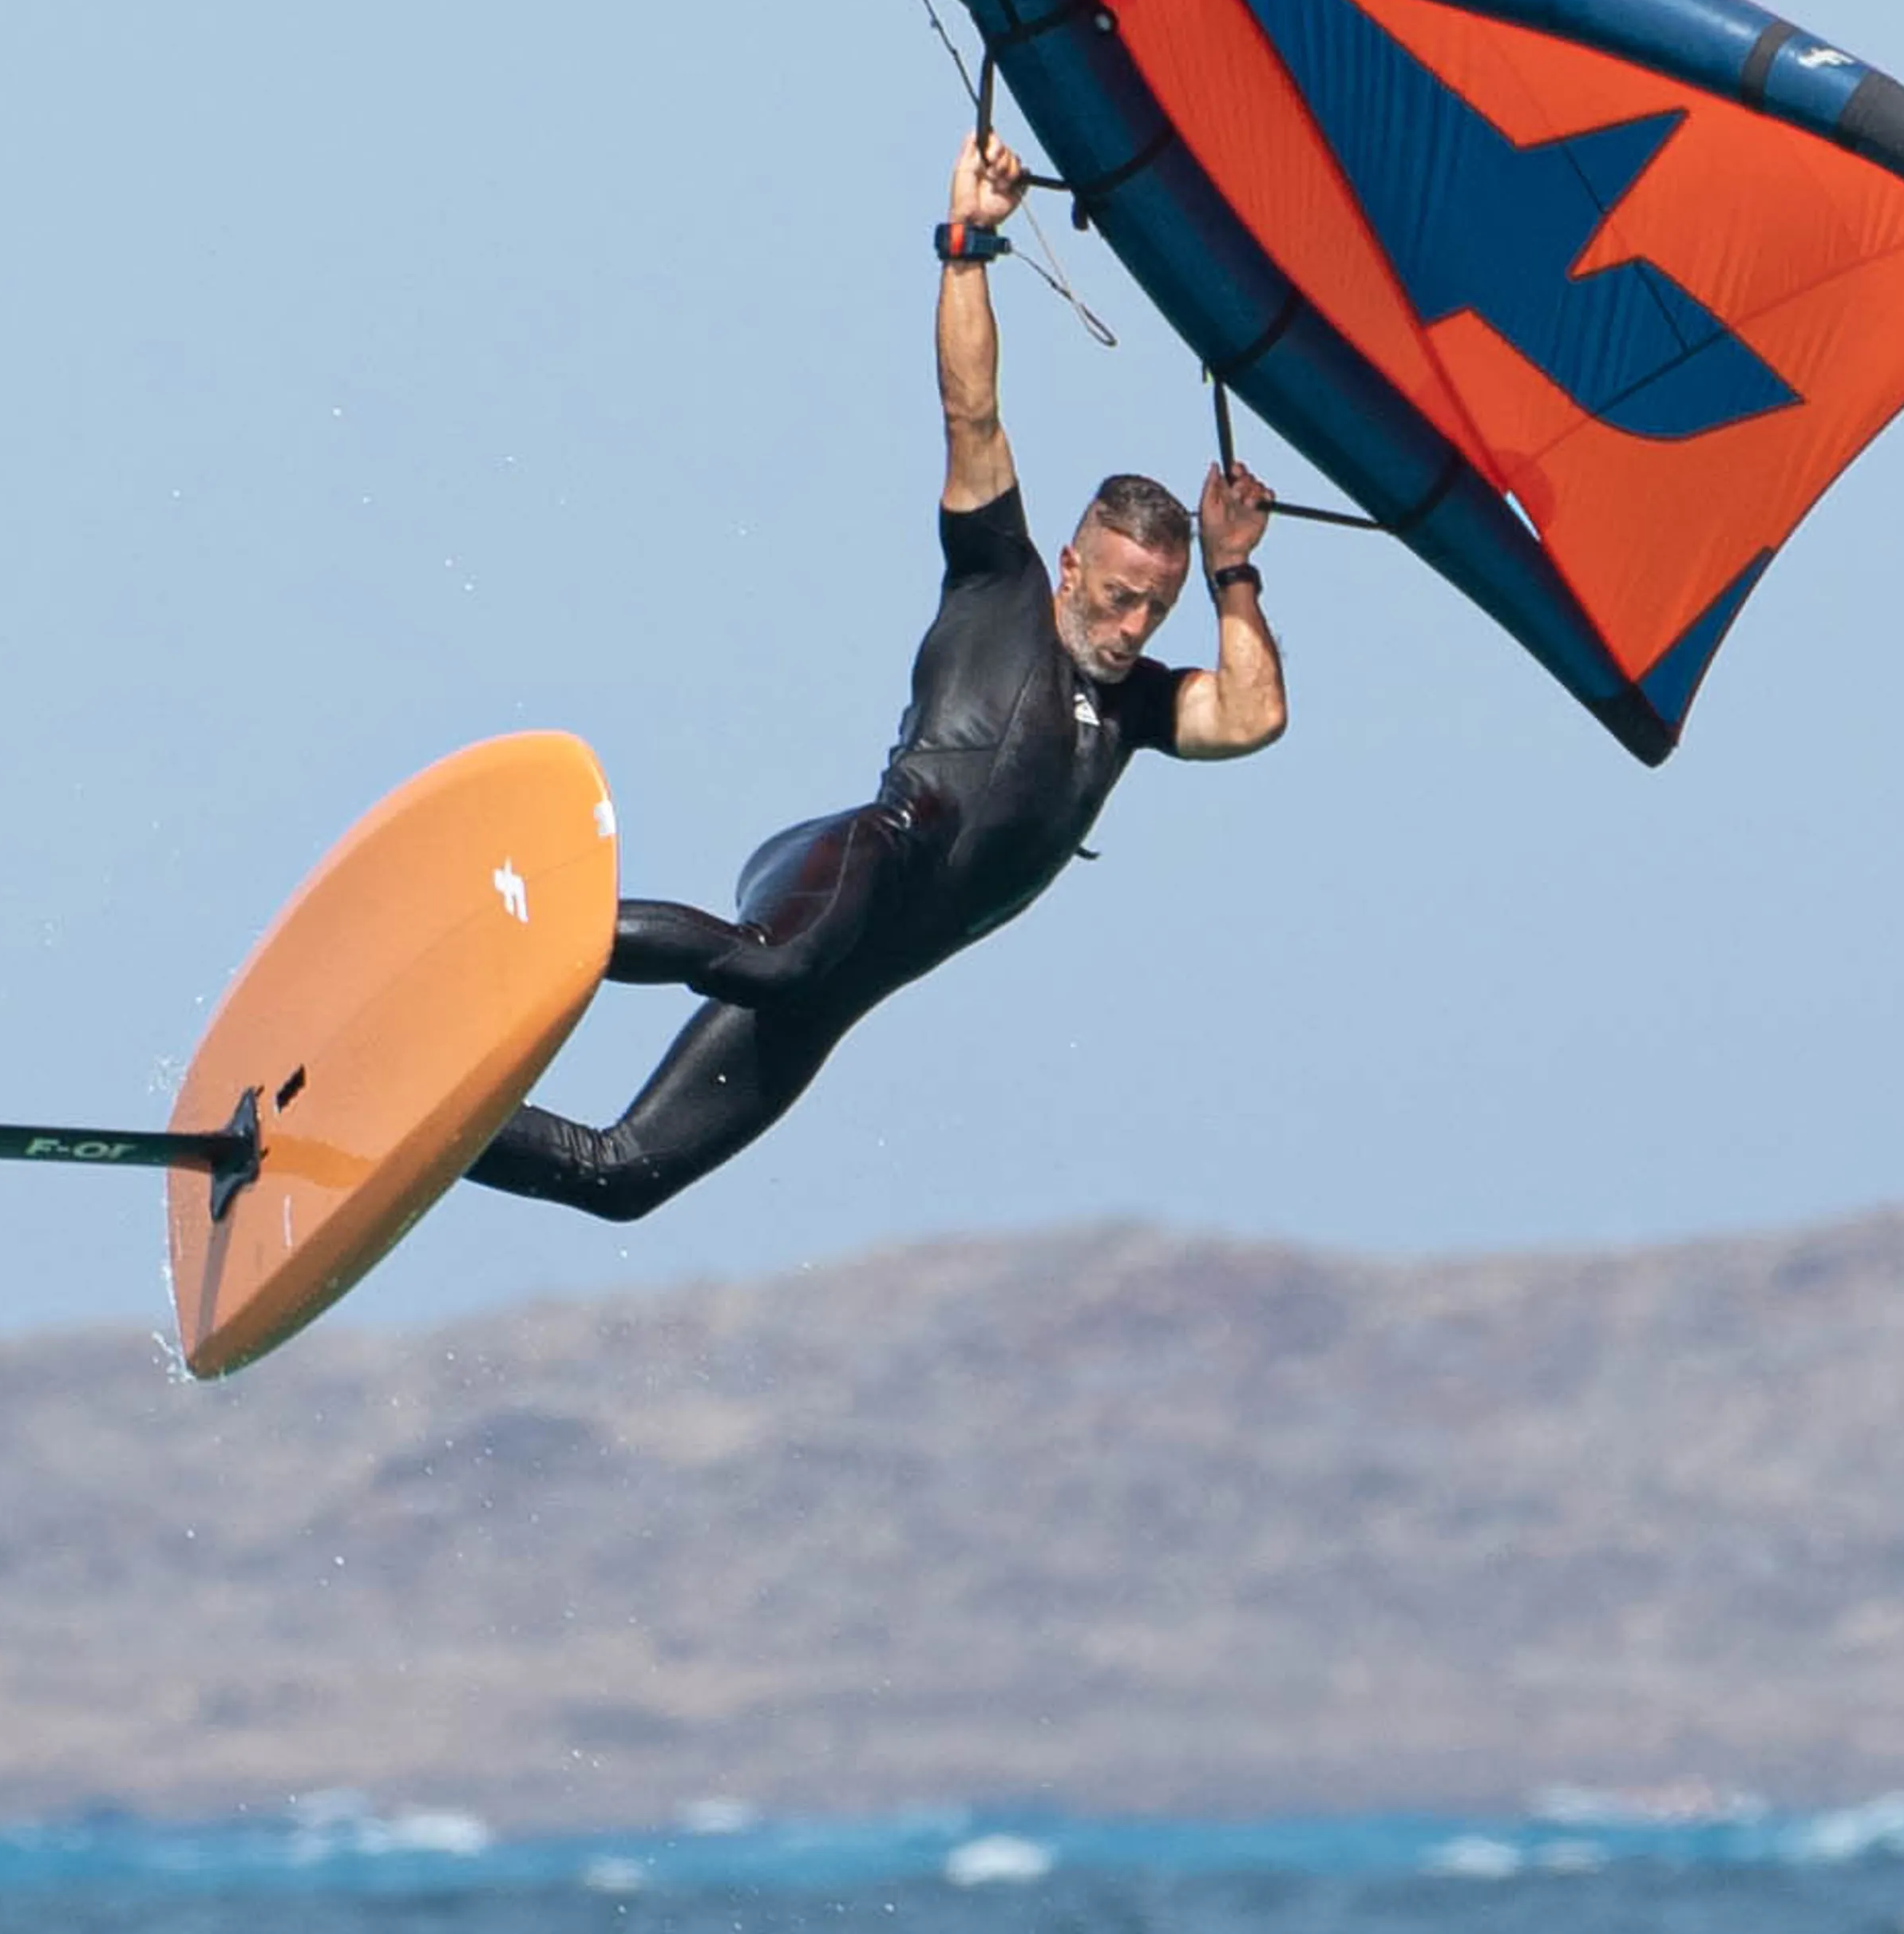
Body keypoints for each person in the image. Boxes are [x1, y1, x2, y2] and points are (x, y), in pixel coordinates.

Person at [465, 133, 1288, 1221]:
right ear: (1075, 567)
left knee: (625, 1176)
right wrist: (968, 242)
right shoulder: (1000, 581)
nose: (1133, 625)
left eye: (1156, 606)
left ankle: (384, 1134)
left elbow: (1253, 713)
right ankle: (497, 938)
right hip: (851, 867)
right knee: (771, 963)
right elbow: (972, 413)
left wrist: (1234, 571)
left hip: (848, 974)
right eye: (1118, 594)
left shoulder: (1136, 711)